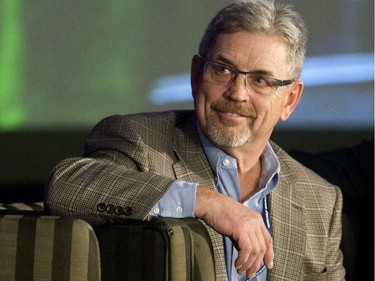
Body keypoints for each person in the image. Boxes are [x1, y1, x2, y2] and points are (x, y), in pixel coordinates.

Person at [45, 0, 345, 280]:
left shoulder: (320, 199)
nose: (237, 93)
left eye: (261, 80)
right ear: (196, 74)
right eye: (223, 69)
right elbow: (67, 187)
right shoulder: (142, 142)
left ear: (290, 100)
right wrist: (206, 202)